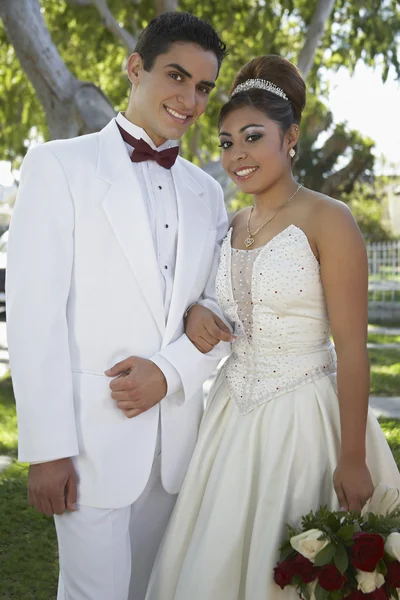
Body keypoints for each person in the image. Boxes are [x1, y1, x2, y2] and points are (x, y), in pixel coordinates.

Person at [145, 54, 400, 600]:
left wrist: (352, 457)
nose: (237, 155)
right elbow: (222, 305)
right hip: (230, 415)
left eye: (253, 137)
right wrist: (199, 312)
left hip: (304, 421)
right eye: (226, 142)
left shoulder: (329, 218)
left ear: (290, 137)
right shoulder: (234, 223)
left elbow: (354, 352)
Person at [6, 12, 232, 600]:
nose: (189, 99)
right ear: (135, 69)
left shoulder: (208, 192)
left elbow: (217, 309)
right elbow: (35, 320)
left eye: (203, 87)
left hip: (179, 448)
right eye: (176, 77)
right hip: (88, 447)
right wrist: (47, 450)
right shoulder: (60, 166)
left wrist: (172, 371)